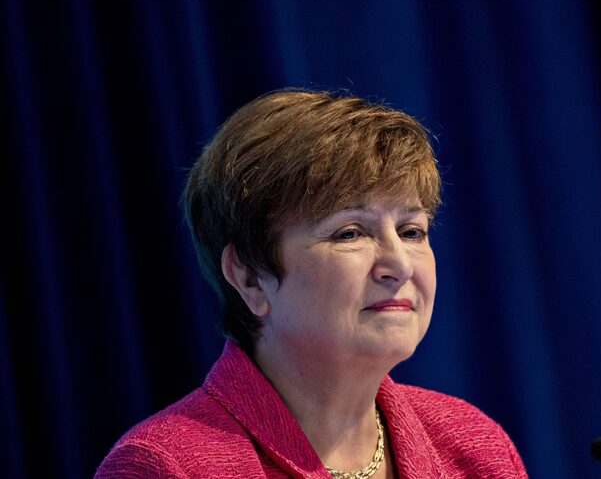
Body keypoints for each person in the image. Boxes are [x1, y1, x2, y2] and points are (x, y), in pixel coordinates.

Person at [96, 89, 528, 478]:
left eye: (412, 231)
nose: (398, 264)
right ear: (249, 276)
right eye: (350, 233)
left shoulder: (473, 447)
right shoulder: (166, 466)